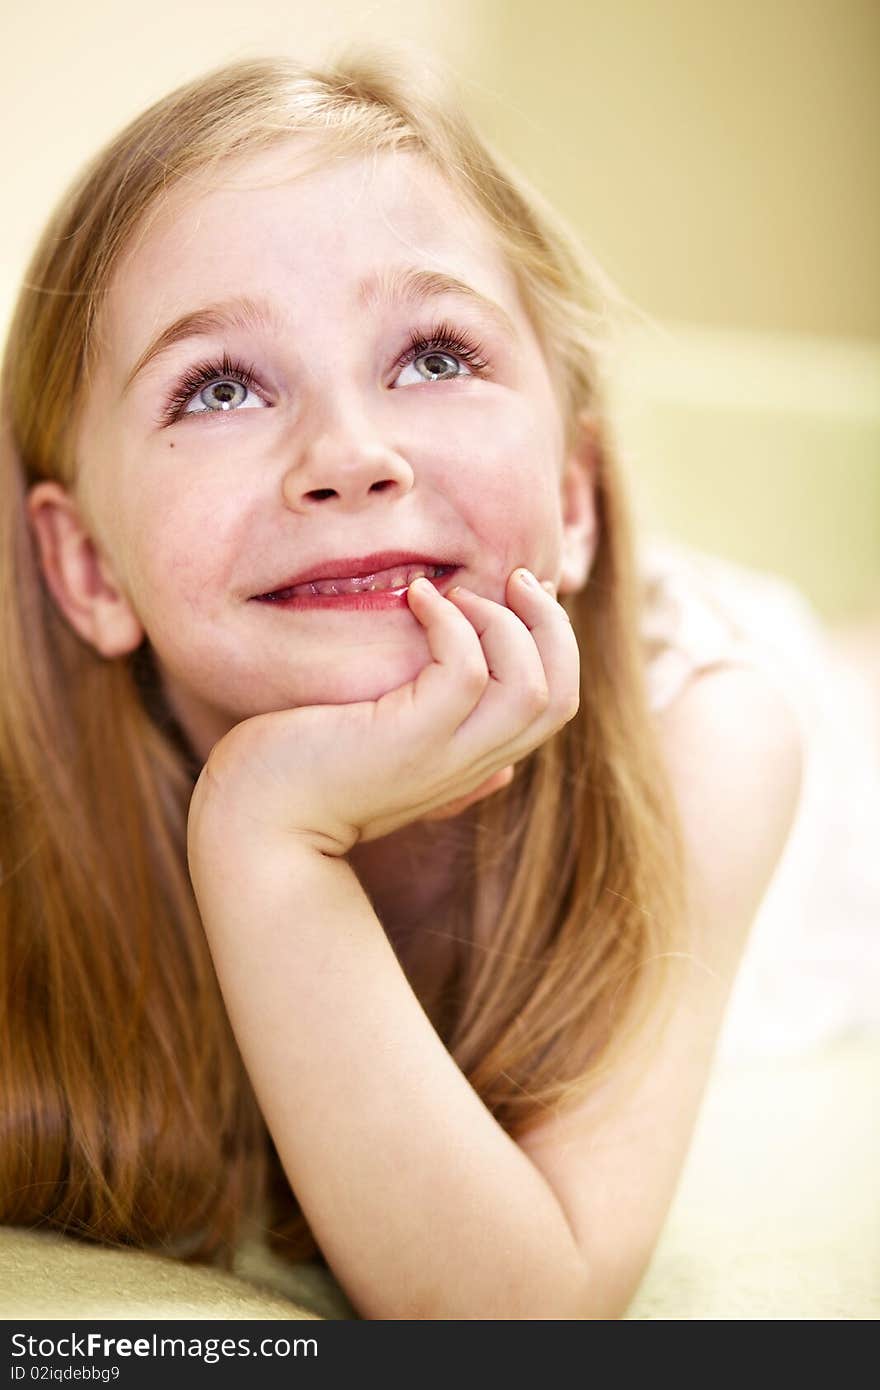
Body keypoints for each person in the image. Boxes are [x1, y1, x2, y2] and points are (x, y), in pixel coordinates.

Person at [0, 49, 803, 1320]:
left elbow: (517, 1314)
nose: (349, 455)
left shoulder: (711, 725)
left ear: (577, 499)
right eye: (218, 385)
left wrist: (267, 830)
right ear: (86, 564)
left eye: (433, 355)